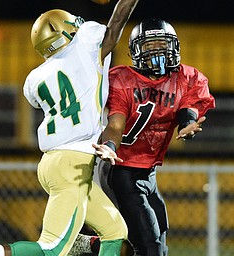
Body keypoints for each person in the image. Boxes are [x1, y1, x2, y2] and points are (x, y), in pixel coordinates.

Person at [0, 0, 140, 255]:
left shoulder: (37, 77)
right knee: (52, 249)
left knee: (115, 231)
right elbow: (117, 22)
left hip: (55, 162)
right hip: (73, 162)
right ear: (67, 31)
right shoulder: (85, 47)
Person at [92, 18, 216, 256]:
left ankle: (88, 246)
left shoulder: (185, 78)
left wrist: (187, 124)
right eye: (150, 46)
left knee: (157, 239)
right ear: (136, 51)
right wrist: (109, 146)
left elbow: (187, 108)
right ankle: (87, 246)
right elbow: (115, 125)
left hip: (148, 172)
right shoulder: (123, 79)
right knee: (150, 247)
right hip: (120, 169)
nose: (158, 51)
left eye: (162, 44)